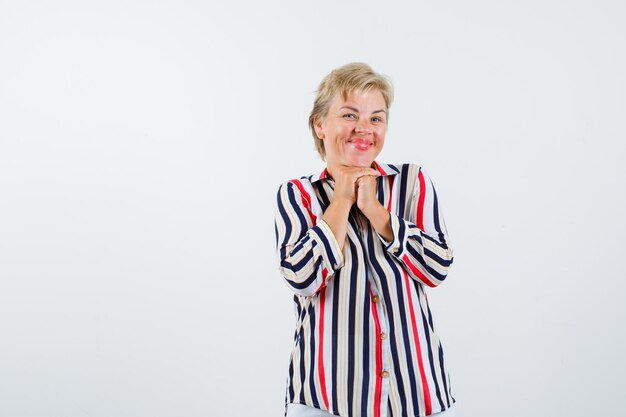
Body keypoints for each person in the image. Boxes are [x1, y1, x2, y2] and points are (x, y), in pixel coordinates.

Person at [274, 63, 456, 417]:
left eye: (376, 118)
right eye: (349, 114)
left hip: (415, 394)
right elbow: (302, 277)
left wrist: (377, 212)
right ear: (319, 125)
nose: (364, 129)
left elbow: (438, 268)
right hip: (328, 398)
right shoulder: (297, 195)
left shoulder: (412, 183)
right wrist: (341, 200)